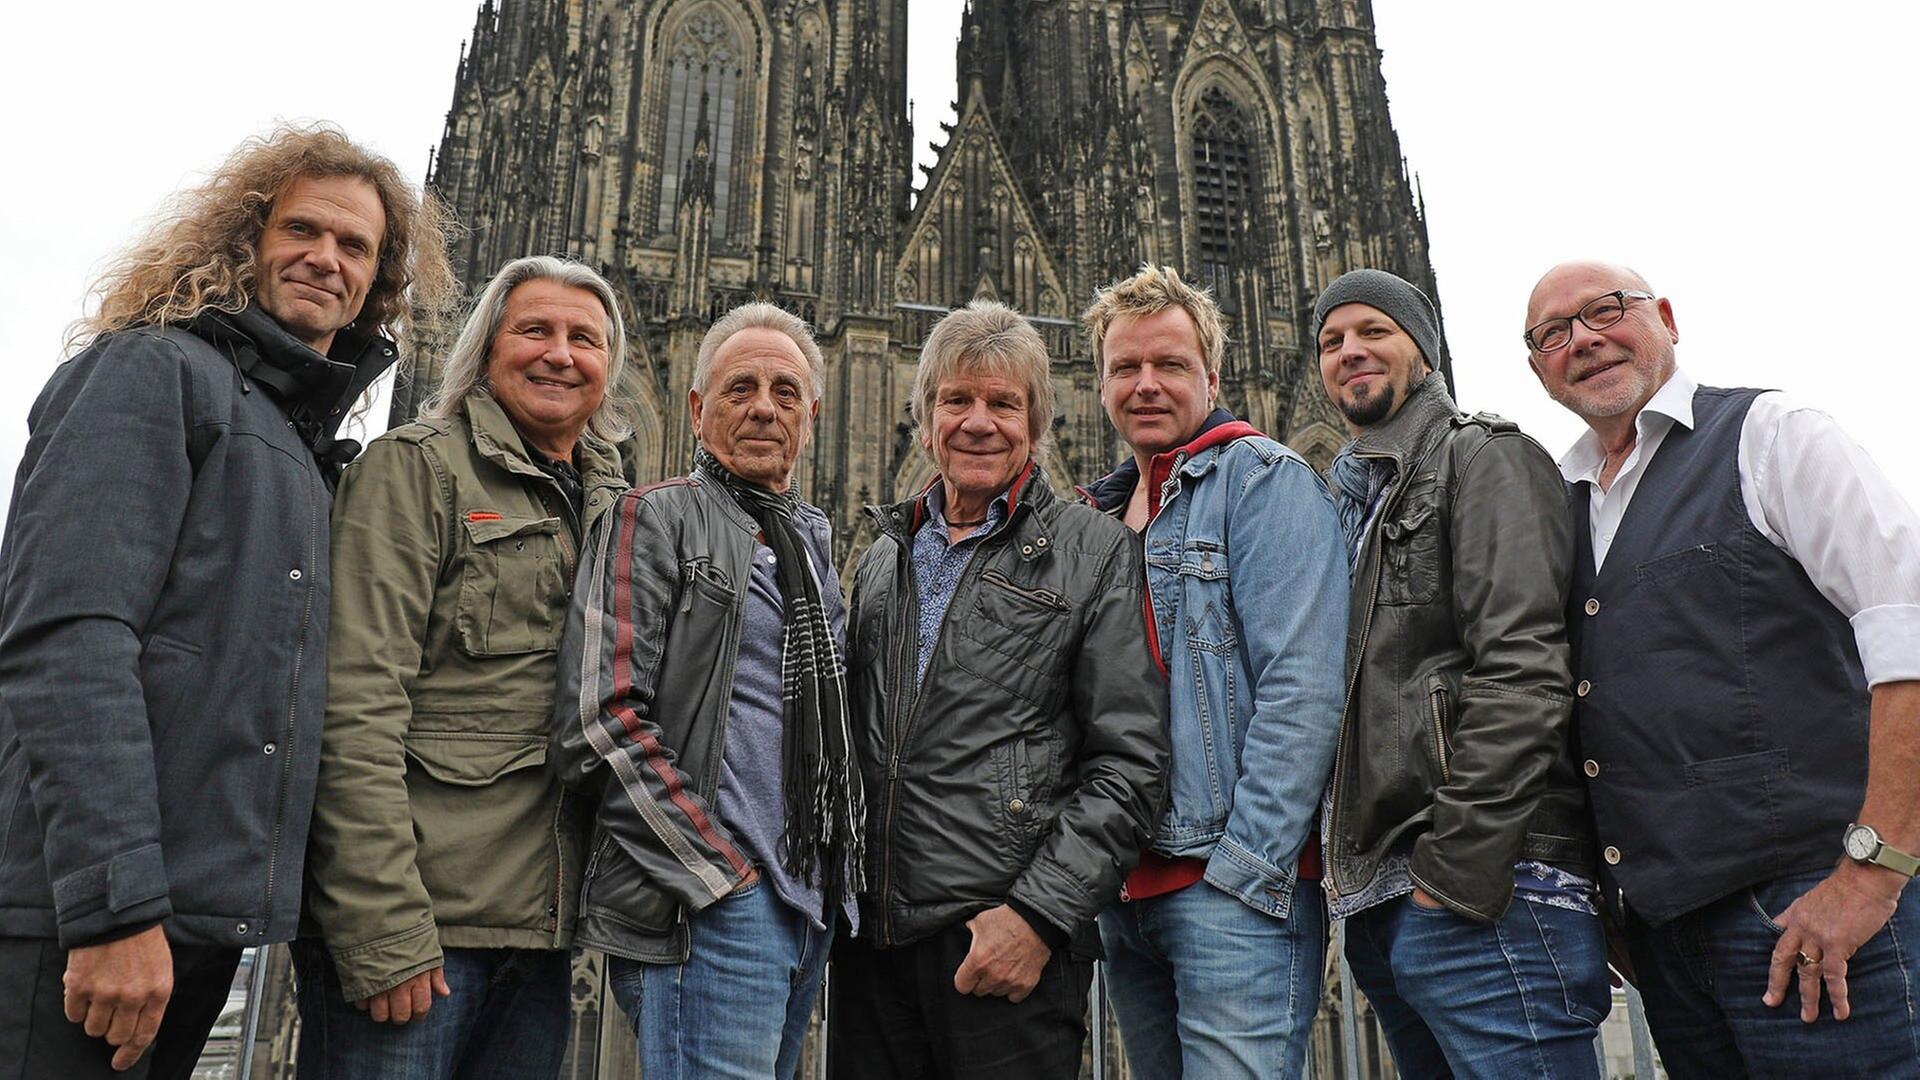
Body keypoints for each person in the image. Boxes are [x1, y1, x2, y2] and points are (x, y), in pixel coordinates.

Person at [0, 125, 449, 1078]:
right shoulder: (149, 370)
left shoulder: (287, 432)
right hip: (87, 926)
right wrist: (114, 910)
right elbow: (69, 639)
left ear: (378, 283)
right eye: (301, 230)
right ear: (246, 239)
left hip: (188, 924)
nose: (325, 258)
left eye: (355, 246)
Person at [1524, 260, 1920, 1076]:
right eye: (1553, 333)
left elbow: (1908, 631)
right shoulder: (1559, 501)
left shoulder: (1772, 434)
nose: (1584, 341)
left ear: (1666, 318)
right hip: (1667, 947)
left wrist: (1874, 872)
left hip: (1821, 914)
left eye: (1606, 311)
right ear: (1538, 368)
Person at [297, 256, 629, 1078]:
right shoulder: (416, 469)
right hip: (422, 937)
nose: (560, 355)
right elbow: (352, 702)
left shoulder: (611, 506)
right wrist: (382, 926)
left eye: (584, 339)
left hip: (541, 941)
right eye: (535, 330)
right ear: (485, 351)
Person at [828, 300, 1168, 1079]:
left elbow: (1131, 762)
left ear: (1036, 423)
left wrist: (1038, 917)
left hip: (1004, 946)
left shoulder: (1095, 553)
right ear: (924, 422)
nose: (978, 422)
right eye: (956, 400)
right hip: (873, 951)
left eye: (1003, 404)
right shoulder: (884, 557)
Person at [550, 302, 859, 1078]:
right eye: (739, 388)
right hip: (716, 911)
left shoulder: (809, 543)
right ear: (696, 409)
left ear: (812, 416)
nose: (764, 409)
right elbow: (600, 719)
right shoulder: (655, 517)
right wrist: (719, 877)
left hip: (805, 909)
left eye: (785, 393)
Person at [1317, 269, 1608, 1078]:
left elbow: (1525, 675)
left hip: (1486, 891)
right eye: (1332, 341)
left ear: (1425, 349)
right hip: (1388, 900)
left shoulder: (1484, 456)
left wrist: (1452, 877)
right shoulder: (1352, 502)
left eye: (1374, 331)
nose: (1350, 351)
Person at [1076, 265, 1346, 1078]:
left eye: (1170, 364)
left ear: (1211, 378)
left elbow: (1304, 693)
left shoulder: (1264, 479)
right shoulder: (1100, 518)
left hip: (1224, 889)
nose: (1146, 384)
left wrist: (1244, 873)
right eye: (1126, 367)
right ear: (1100, 384)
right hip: (1129, 892)